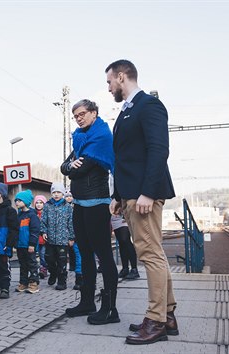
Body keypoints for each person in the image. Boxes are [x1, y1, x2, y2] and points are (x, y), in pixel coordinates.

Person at [106, 59, 178, 345]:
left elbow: (159, 149)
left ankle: (156, 319)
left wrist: (148, 192)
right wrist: (118, 196)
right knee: (154, 253)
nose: (109, 87)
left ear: (122, 77)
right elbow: (125, 158)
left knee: (150, 255)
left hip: (144, 194)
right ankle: (168, 315)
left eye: (110, 81)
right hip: (131, 194)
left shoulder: (149, 105)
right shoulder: (127, 111)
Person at [60, 98, 120, 326]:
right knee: (84, 252)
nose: (79, 118)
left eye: (82, 114)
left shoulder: (101, 137)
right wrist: (69, 166)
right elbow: (65, 167)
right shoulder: (80, 139)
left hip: (96, 204)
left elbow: (79, 170)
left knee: (103, 254)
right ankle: (87, 301)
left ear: (94, 113)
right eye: (75, 116)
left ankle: (110, 308)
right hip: (80, 203)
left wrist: (71, 167)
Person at [40, 182, 75, 290]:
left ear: (63, 193)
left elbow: (71, 223)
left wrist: (71, 237)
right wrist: (44, 231)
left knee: (62, 261)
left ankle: (61, 281)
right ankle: (53, 273)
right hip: (50, 239)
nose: (56, 194)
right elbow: (43, 220)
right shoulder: (47, 206)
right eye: (54, 192)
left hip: (63, 240)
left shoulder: (68, 207)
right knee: (48, 258)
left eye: (58, 192)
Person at [14, 189, 41, 294]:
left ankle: (34, 283)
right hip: (21, 245)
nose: (17, 202)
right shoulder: (19, 215)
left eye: (19, 200)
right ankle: (23, 282)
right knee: (23, 265)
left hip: (29, 245)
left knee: (32, 264)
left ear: (25, 202)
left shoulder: (32, 215)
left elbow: (35, 231)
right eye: (16, 200)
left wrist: (32, 244)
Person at [112, 214, 139, 280]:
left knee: (125, 240)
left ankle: (134, 269)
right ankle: (125, 268)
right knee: (121, 242)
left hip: (124, 216)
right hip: (114, 217)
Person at [34, 194, 48, 279]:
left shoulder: (46, 214)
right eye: (37, 203)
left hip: (44, 239)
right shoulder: (33, 214)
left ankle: (44, 269)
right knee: (36, 255)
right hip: (36, 239)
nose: (39, 204)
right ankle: (38, 269)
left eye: (41, 203)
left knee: (43, 255)